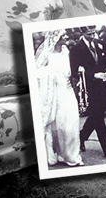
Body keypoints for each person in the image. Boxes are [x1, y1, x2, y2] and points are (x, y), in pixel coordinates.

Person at [35, 29, 84, 167]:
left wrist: (79, 70)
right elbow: (35, 72)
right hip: (53, 94)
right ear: (56, 38)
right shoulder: (47, 54)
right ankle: (55, 154)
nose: (66, 37)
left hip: (67, 90)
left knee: (71, 122)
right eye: (63, 35)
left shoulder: (66, 51)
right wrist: (49, 72)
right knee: (55, 125)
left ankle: (72, 156)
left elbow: (71, 69)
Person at [69, 26, 106, 160]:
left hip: (102, 86)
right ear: (82, 33)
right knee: (98, 118)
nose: (92, 35)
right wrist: (93, 75)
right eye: (89, 33)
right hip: (88, 88)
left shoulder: (99, 44)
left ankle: (81, 137)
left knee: (96, 115)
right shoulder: (76, 49)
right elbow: (75, 71)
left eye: (93, 32)